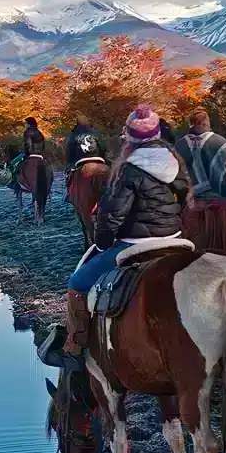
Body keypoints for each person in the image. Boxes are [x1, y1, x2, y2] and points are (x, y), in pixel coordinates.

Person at [62, 104, 191, 357]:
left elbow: (112, 215)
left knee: (77, 284)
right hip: (175, 238)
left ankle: (75, 346)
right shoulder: (175, 163)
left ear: (129, 137)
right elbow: (185, 199)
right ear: (156, 135)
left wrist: (101, 243)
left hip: (135, 243)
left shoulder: (127, 169)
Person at [174, 108, 226, 210]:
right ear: (206, 123)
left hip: (190, 197)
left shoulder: (178, 145)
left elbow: (176, 177)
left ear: (191, 124)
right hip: (221, 195)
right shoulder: (222, 143)